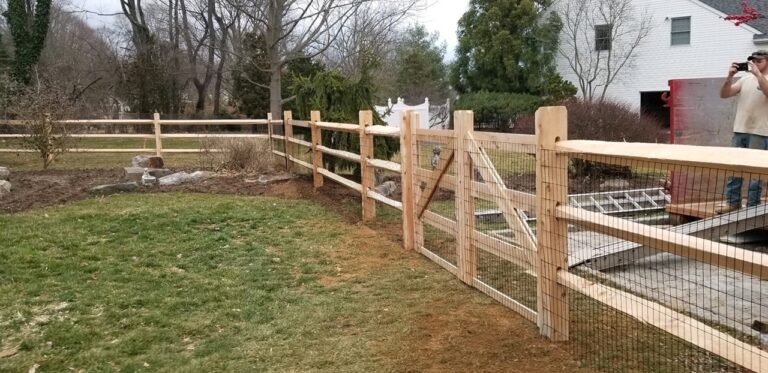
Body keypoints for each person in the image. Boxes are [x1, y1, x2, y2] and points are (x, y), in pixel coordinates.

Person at [717, 50, 768, 214]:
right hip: (740, 129)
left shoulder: (764, 79)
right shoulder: (745, 79)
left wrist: (758, 74)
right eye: (752, 60)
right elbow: (724, 94)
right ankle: (732, 202)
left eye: (759, 61)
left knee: (755, 171)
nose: (754, 63)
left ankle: (753, 205)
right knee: (735, 167)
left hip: (760, 131)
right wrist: (729, 77)